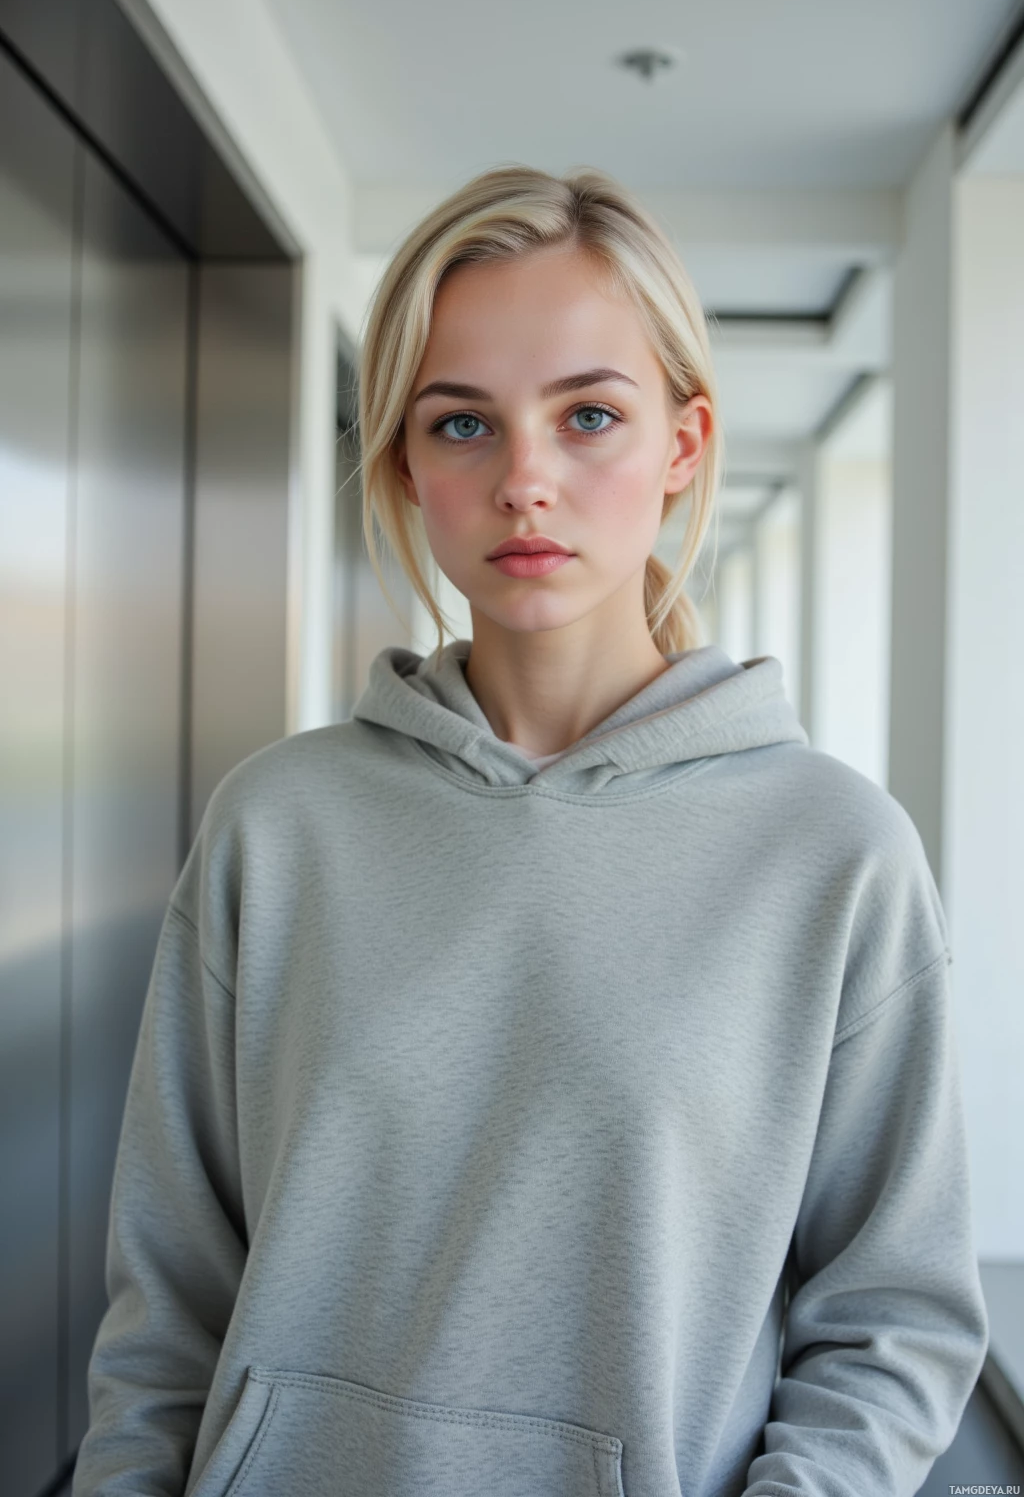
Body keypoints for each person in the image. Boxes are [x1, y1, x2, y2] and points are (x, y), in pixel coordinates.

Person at [72, 165, 988, 1497]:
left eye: (590, 416)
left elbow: (894, 1322)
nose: (525, 480)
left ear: (683, 445)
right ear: (405, 461)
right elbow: (168, 1301)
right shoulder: (276, 826)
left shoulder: (834, 854)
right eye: (462, 424)